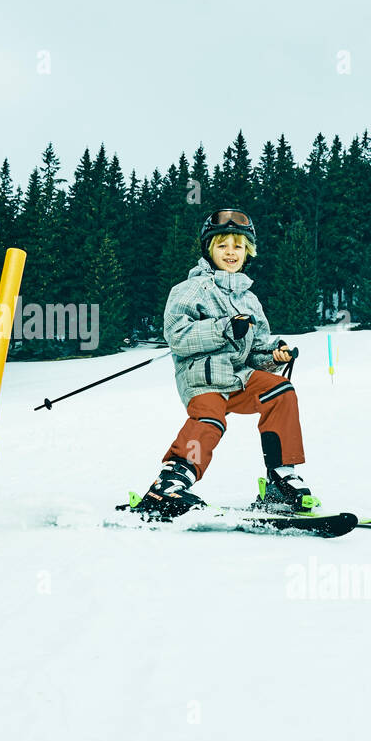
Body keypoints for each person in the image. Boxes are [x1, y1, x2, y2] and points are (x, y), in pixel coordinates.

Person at [134, 209, 316, 518]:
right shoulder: (189, 290)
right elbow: (177, 336)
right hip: (202, 378)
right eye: (222, 245)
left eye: (238, 246)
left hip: (238, 378)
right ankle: (170, 483)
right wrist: (224, 328)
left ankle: (281, 480)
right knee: (210, 421)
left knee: (280, 391)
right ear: (209, 249)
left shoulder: (250, 299)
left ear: (248, 251)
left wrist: (274, 354)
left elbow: (256, 348)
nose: (230, 252)